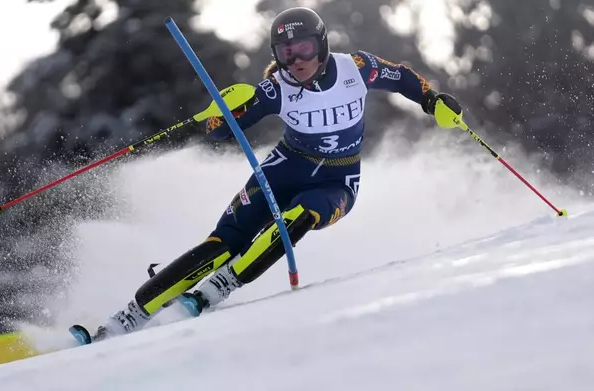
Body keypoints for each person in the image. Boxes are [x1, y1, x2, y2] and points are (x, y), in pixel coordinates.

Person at [84, 6, 462, 341]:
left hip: (337, 182)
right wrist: (219, 112)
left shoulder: (355, 68)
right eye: (285, 53)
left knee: (300, 216)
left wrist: (432, 101)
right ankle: (127, 318)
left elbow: (401, 78)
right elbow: (219, 129)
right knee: (224, 242)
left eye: (304, 49)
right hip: (284, 170)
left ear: (322, 45)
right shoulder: (275, 88)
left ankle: (218, 288)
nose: (296, 61)